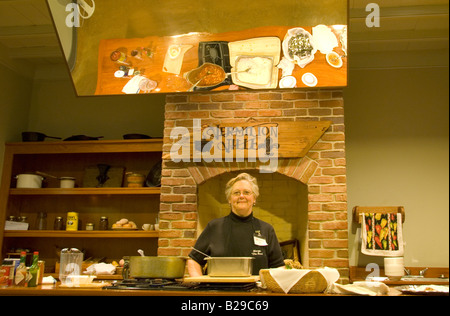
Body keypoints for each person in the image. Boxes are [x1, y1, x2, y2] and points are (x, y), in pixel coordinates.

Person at [187, 172, 285, 276]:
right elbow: (193, 260)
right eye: (236, 193)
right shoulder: (214, 227)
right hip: (218, 291)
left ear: (254, 198)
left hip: (256, 291)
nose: (241, 196)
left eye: (246, 192)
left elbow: (278, 267)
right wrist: (200, 286)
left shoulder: (267, 229)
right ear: (229, 199)